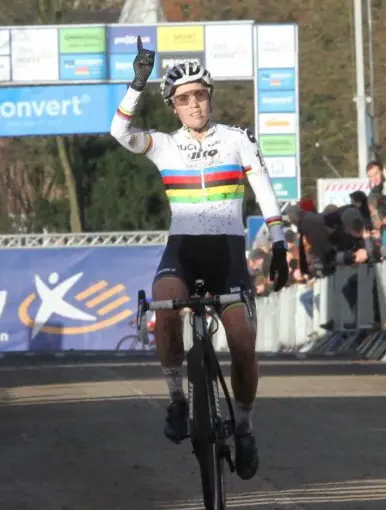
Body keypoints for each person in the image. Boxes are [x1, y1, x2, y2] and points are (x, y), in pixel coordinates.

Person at [109, 38, 289, 481]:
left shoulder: (238, 139)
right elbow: (120, 133)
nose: (194, 103)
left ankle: (244, 428)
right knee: (165, 304)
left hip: (227, 253)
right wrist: (136, 85)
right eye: (184, 98)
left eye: (200, 94)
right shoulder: (164, 146)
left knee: (243, 342)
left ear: (210, 96)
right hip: (184, 251)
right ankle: (176, 400)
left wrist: (280, 241)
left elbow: (263, 188)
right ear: (173, 106)